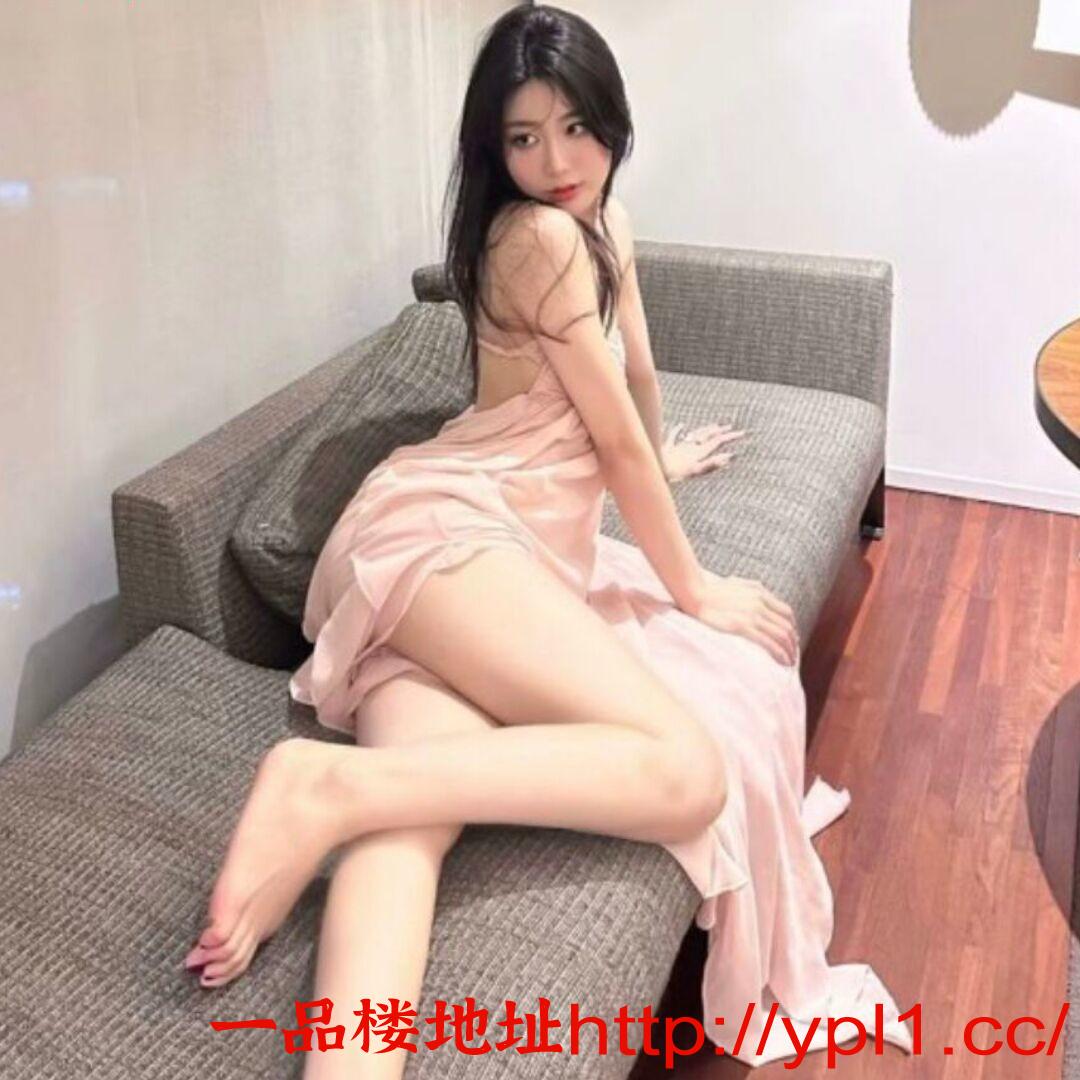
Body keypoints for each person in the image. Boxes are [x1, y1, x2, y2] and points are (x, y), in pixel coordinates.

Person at [183, 4, 912, 1074]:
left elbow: (633, 384)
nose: (557, 162)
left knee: (408, 820)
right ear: (494, 148)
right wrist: (694, 586)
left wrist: (661, 459)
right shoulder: (537, 238)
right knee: (686, 770)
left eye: (575, 128)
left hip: (499, 554)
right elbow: (608, 438)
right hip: (451, 533)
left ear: (613, 121)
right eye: (524, 138)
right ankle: (316, 785)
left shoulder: (603, 223)